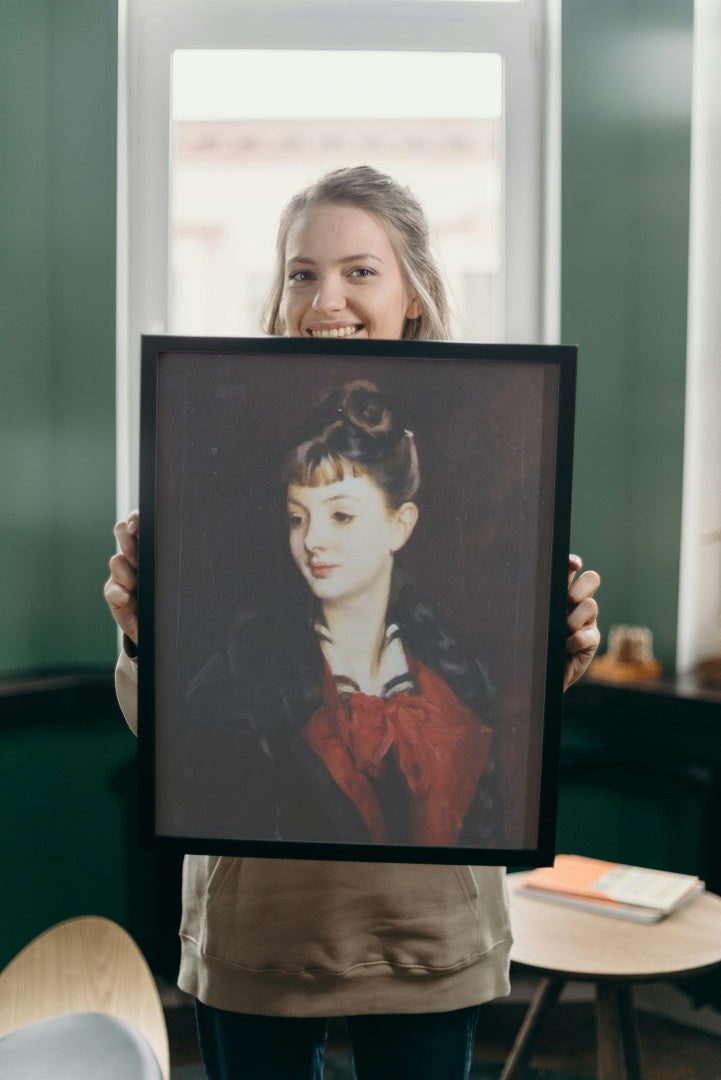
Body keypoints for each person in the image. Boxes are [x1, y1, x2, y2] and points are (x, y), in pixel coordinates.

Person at [105, 165, 601, 1080]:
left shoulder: (461, 647)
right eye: (301, 272)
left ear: (412, 291)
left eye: (358, 271)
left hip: (427, 932)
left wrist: (555, 653)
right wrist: (142, 636)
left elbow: (510, 743)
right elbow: (173, 739)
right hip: (261, 931)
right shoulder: (228, 600)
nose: (324, 297)